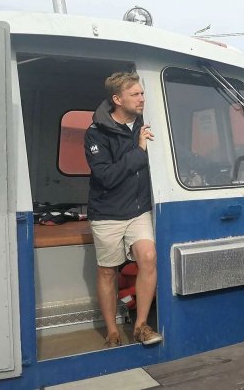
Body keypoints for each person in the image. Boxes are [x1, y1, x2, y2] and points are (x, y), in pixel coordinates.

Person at [84, 71, 162, 347]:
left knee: (149, 257)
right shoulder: (96, 134)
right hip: (107, 214)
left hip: (138, 210)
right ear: (117, 99)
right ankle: (112, 330)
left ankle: (141, 326)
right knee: (107, 272)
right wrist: (139, 151)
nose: (142, 99)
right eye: (136, 95)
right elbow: (106, 177)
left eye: (142, 93)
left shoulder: (147, 123)